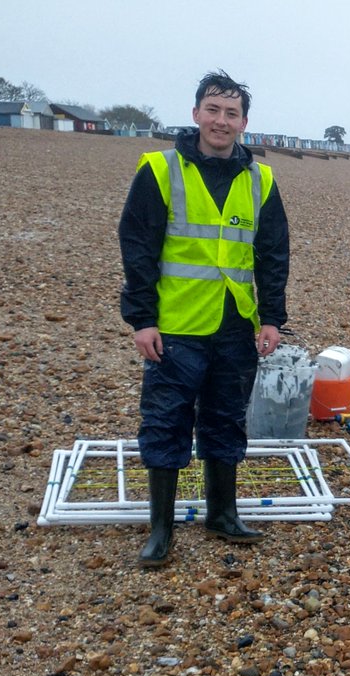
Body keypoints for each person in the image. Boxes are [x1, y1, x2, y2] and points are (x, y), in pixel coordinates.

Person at [119, 70, 290, 568]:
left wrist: (273, 317)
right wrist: (142, 319)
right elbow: (138, 248)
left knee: (225, 420)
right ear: (196, 114)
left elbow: (273, 254)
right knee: (166, 421)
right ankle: (161, 530)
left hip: (236, 325)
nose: (221, 120)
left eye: (231, 113)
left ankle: (223, 514)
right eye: (212, 110)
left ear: (244, 123)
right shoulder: (160, 169)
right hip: (175, 327)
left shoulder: (261, 179)